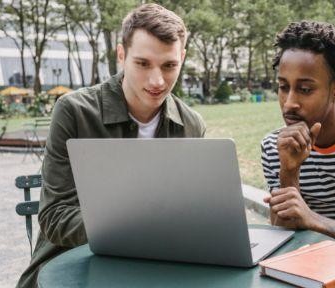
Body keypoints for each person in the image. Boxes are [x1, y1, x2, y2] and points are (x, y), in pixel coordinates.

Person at [17, 3, 205, 287]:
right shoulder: (74, 111)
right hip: (70, 267)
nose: (157, 81)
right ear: (121, 55)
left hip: (155, 269)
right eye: (142, 63)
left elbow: (192, 213)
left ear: (182, 58)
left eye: (169, 66)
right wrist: (136, 230)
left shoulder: (192, 125)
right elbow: (54, 216)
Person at [261, 21, 335, 245]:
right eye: (284, 87)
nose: (289, 103)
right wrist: (289, 170)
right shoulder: (273, 146)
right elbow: (284, 232)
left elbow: (305, 219)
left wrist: (313, 219)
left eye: (305, 89)